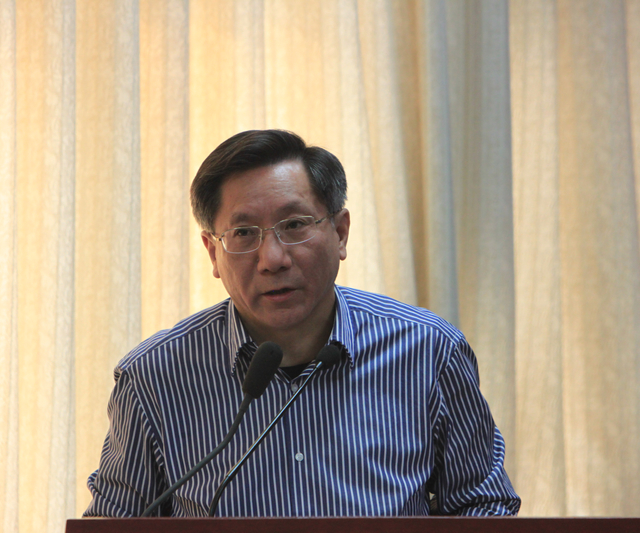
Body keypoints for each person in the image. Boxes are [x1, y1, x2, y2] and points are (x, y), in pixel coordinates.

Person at [84, 129, 520, 517]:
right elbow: (115, 523)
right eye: (243, 233)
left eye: (294, 225)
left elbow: (484, 505)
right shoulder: (154, 378)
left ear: (341, 232)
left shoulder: (429, 352)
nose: (272, 258)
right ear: (213, 253)